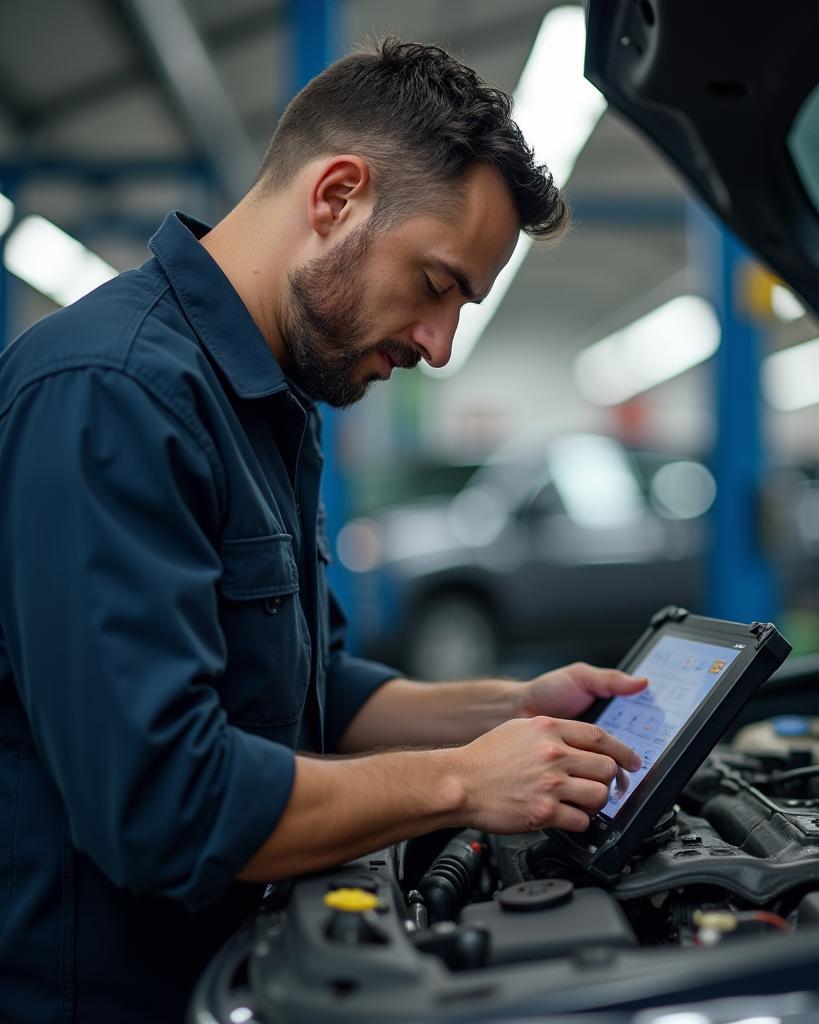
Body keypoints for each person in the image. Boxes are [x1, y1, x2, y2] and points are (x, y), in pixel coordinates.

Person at [0, 38, 647, 1024]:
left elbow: (315, 688)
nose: (439, 346)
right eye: (437, 285)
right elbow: (163, 804)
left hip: (233, 968)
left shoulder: (268, 399)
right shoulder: (112, 395)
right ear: (337, 195)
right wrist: (462, 782)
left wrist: (509, 708)